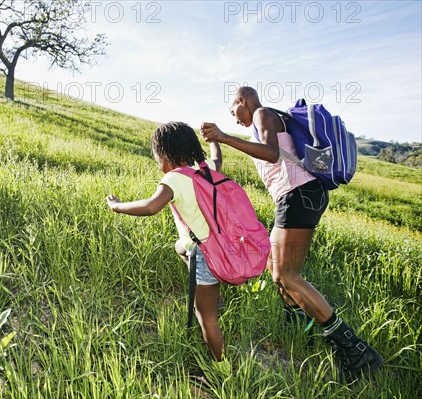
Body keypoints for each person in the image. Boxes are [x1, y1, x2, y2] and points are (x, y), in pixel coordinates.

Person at [200, 86, 382, 377]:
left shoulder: (262, 113)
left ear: (242, 100)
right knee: (275, 269)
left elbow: (272, 154)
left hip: (299, 195)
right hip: (299, 196)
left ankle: (357, 352)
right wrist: (217, 142)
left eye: (233, 110)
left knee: (287, 275)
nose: (234, 119)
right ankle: (303, 333)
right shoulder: (267, 118)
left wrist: (223, 136)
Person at [106, 121, 225, 361]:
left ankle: (220, 368)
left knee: (206, 317)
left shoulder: (174, 178)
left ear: (166, 156)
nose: (158, 163)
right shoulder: (206, 168)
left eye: (157, 157)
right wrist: (214, 140)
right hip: (220, 245)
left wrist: (116, 206)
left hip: (204, 253)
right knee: (180, 247)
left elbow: (151, 207)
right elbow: (218, 160)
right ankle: (212, 292)